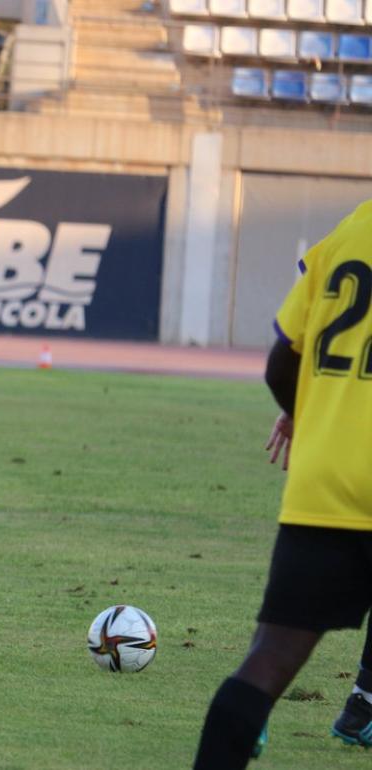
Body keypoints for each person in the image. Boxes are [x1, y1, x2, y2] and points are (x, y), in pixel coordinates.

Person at [193, 201, 372, 768]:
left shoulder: (348, 234)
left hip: (326, 481)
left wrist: (305, 414)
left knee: (267, 662)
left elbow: (279, 362)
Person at [262, 412, 372, 749]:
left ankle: (362, 707)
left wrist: (293, 409)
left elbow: (281, 365)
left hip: (327, 466)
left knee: (293, 609)